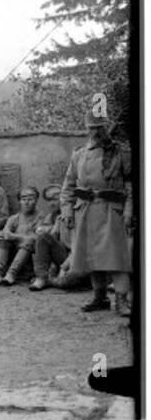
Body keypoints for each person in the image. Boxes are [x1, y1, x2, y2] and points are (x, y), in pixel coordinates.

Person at [59, 108, 134, 314]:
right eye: (92, 128)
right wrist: (66, 209)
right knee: (92, 257)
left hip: (112, 210)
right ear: (87, 129)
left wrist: (128, 211)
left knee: (116, 257)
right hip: (85, 211)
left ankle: (122, 300)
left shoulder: (121, 152)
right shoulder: (79, 154)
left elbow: (130, 185)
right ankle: (99, 297)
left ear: (107, 127)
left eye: (100, 127)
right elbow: (69, 186)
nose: (96, 132)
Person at [0, 186, 41, 285]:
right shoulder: (14, 218)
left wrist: (15, 237)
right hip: (14, 251)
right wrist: (7, 235)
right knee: (1, 237)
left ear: (36, 200)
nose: (27, 202)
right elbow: (6, 232)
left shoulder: (41, 217)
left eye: (30, 199)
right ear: (19, 201)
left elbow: (37, 237)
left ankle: (11, 273)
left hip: (30, 254)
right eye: (23, 199)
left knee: (29, 241)